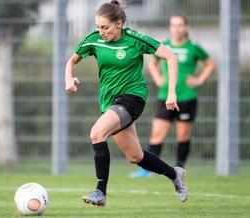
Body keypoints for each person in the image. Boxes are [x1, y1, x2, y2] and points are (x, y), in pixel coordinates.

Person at [65, 1, 188, 207]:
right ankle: (174, 174)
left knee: (97, 133)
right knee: (135, 156)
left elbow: (170, 57)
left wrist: (171, 92)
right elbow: (71, 61)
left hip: (133, 97)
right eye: (98, 27)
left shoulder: (135, 40)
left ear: (119, 23)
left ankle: (100, 192)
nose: (100, 31)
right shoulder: (94, 40)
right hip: (111, 103)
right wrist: (69, 78)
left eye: (105, 27)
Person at [129, 15, 215, 178]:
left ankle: (179, 168)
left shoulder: (193, 47)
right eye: (173, 25)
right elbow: (152, 63)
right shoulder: (165, 45)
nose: (176, 29)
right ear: (170, 27)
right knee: (157, 134)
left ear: (186, 27)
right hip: (165, 96)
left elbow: (210, 63)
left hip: (186, 97)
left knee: (183, 135)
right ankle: (147, 170)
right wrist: (158, 78)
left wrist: (199, 80)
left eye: (180, 25)